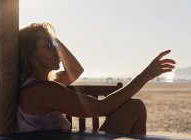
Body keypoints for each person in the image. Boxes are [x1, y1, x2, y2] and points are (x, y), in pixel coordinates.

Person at [17, 22, 176, 134]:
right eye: (49, 46)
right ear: (30, 55)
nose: (57, 52)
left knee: (133, 107)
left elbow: (75, 70)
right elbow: (101, 107)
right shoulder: (42, 91)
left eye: (55, 46)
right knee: (134, 108)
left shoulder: (40, 86)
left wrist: (54, 40)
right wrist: (145, 76)